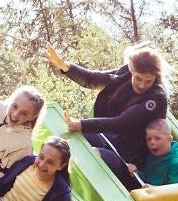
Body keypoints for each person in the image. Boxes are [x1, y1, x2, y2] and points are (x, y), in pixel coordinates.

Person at [45, 41, 168, 182]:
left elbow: (122, 122)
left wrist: (81, 124)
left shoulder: (156, 98)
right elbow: (93, 79)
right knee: (64, 141)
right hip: (109, 139)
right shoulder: (125, 74)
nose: (142, 85)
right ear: (132, 70)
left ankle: (63, 188)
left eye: (148, 81)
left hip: (131, 161)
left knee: (92, 155)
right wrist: (64, 65)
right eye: (138, 78)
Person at [0, 138, 73, 201]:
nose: (41, 165)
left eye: (50, 162)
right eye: (41, 157)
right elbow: (1, 184)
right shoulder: (27, 162)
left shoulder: (61, 194)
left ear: (61, 166)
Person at [138, 120, 178, 186]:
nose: (152, 142)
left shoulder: (176, 164)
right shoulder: (153, 155)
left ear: (170, 139)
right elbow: (148, 178)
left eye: (157, 138)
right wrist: (136, 173)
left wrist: (154, 189)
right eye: (149, 139)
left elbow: (175, 192)